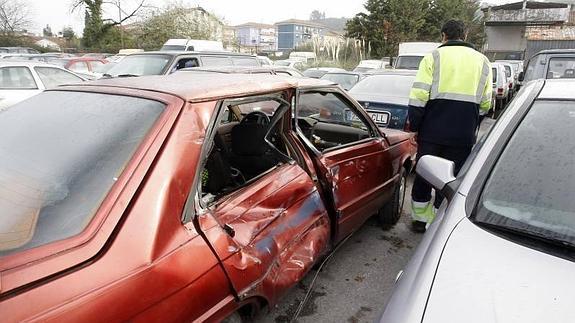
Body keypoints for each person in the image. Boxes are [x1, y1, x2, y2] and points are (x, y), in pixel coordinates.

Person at [408, 19, 492, 232]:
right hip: (462, 134)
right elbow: (486, 103)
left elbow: (418, 97)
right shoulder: (483, 62)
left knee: (425, 174)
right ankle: (439, 221)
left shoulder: (433, 57)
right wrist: (471, 122)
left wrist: (416, 127)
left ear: (443, 35)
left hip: (432, 131)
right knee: (451, 178)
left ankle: (419, 220)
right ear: (464, 36)